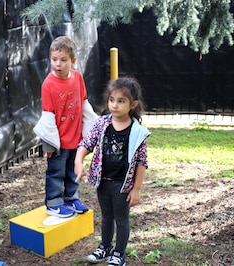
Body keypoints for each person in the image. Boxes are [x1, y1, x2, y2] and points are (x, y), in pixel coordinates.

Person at [74, 77, 151, 266]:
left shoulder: (137, 132)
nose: (114, 105)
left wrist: (137, 189)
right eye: (111, 100)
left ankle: (119, 254)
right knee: (107, 216)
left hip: (122, 185)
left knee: (121, 219)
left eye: (121, 101)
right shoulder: (102, 124)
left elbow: (142, 162)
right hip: (103, 182)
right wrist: (78, 160)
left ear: (132, 104)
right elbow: (86, 143)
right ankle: (105, 247)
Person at [33, 36, 98, 218]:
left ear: (73, 61)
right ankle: (53, 203)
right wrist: (49, 145)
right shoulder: (48, 85)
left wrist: (91, 133)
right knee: (56, 172)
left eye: (63, 60)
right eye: (54, 59)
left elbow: (84, 105)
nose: (58, 64)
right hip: (59, 143)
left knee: (72, 171)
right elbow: (47, 118)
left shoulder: (77, 78)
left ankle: (71, 198)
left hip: (76, 140)